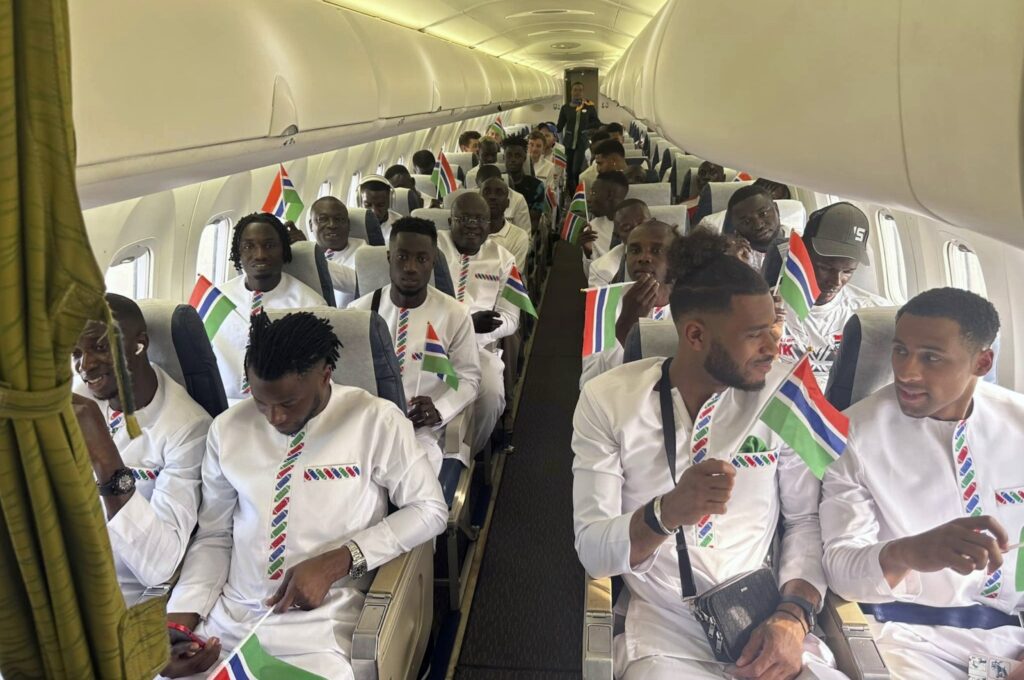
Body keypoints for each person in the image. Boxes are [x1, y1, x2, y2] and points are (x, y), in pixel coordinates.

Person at [572, 229, 843, 680]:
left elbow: (803, 521)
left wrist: (794, 615)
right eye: (755, 335)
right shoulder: (609, 401)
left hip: (767, 619)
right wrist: (666, 512)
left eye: (772, 331)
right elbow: (594, 552)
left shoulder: (781, 393)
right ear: (695, 335)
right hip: (664, 634)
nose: (774, 349)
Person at [160, 311, 447, 679]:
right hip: (230, 618)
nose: (273, 417)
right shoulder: (227, 429)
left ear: (325, 374)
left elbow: (429, 509)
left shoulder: (374, 419)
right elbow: (215, 536)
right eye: (261, 402)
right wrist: (179, 623)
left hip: (323, 620)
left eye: (288, 403)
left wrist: (338, 561)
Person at [820, 287, 1024, 678]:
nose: (907, 371)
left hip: (1012, 636)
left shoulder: (1019, 424)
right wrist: (909, 552)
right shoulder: (851, 434)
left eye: (931, 357)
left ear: (982, 362)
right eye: (900, 351)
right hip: (905, 639)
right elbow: (840, 569)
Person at [71, 293, 210, 606]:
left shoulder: (188, 429)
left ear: (140, 344)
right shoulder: (83, 398)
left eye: (100, 346)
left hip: (122, 599)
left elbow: (160, 566)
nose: (85, 365)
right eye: (76, 353)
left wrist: (103, 456)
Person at [349, 217, 480, 471]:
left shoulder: (455, 314)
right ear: (389, 257)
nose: (410, 267)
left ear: (432, 262)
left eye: (421, 259)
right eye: (402, 257)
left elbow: (468, 379)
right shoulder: (358, 313)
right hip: (367, 427)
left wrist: (439, 409)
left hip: (421, 430)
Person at [210, 213, 326, 404]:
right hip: (223, 404)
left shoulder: (310, 305)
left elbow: (315, 375)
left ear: (284, 250)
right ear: (238, 252)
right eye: (249, 246)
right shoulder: (216, 299)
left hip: (282, 405)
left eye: (270, 245)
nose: (260, 254)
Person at [438, 192, 520, 453]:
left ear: (490, 224)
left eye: (480, 219)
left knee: (492, 393)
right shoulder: (431, 247)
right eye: (464, 218)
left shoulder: (504, 259)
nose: (472, 224)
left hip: (477, 347)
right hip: (431, 340)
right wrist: (463, 323)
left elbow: (511, 318)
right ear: (450, 220)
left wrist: (480, 328)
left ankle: (468, 456)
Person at [775, 202, 890, 390]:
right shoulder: (766, 306)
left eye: (847, 271)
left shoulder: (874, 314)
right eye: (825, 268)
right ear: (804, 253)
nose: (836, 281)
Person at [579, 220, 677, 387]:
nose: (644, 258)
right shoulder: (603, 302)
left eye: (656, 250)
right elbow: (589, 382)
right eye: (635, 250)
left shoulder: (699, 305)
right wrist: (626, 324)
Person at [310, 196, 363, 307]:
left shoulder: (364, 253)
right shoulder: (306, 251)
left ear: (348, 225)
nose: (332, 225)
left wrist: (309, 258)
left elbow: (357, 283)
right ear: (311, 225)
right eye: (323, 219)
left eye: (339, 219)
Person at [588, 198, 651, 287]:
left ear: (653, 224)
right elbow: (606, 301)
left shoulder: (673, 254)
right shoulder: (601, 270)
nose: (637, 232)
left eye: (642, 224)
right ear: (617, 234)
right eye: (627, 228)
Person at [725, 185, 789, 272]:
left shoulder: (801, 246)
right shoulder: (730, 260)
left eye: (763, 214)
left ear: (776, 209)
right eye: (747, 221)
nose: (758, 225)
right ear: (736, 228)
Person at [557, 81, 600, 190]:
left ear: (583, 92)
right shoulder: (565, 108)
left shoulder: (589, 107)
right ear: (571, 92)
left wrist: (586, 128)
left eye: (580, 90)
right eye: (575, 90)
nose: (577, 92)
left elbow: (596, 123)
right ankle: (570, 193)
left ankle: (578, 191)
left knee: (576, 170)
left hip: (582, 143)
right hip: (568, 142)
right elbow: (559, 126)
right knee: (569, 170)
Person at [480, 176, 530, 270]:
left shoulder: (518, 237)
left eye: (499, 193)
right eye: (487, 192)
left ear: (507, 203)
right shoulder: (468, 232)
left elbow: (510, 279)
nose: (492, 197)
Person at [581, 171, 630, 261]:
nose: (589, 199)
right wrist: (588, 252)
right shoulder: (593, 229)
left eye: (593, 193)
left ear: (610, 195)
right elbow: (590, 273)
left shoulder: (639, 224)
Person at [502, 136, 546, 230]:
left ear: (524, 158)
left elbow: (532, 224)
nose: (513, 159)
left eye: (517, 156)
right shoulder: (494, 183)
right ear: (503, 157)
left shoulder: (537, 186)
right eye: (509, 155)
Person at [475, 163, 531, 233]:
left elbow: (525, 233)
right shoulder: (471, 199)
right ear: (478, 185)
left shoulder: (517, 199)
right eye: (487, 190)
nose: (492, 196)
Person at [359, 175, 402, 241]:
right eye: (367, 205)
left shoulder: (400, 225)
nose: (374, 211)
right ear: (359, 202)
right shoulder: (354, 224)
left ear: (390, 202)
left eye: (380, 205)